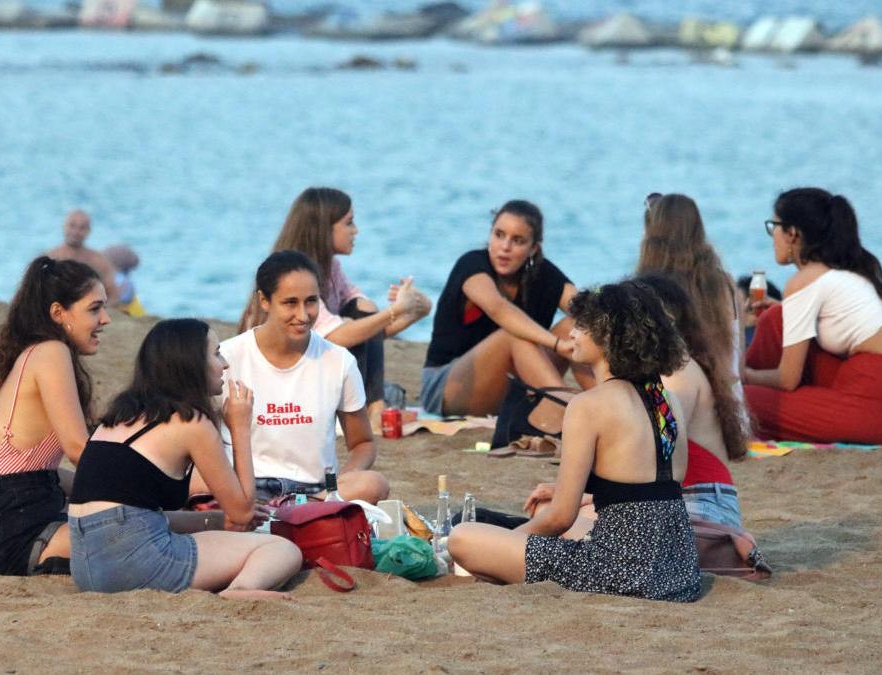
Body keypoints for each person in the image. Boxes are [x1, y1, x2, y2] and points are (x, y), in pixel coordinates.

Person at [448, 280, 702, 602]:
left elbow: (559, 517)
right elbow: (647, 490)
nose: (571, 333)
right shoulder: (668, 402)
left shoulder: (588, 406)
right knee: (571, 521)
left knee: (462, 537)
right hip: (676, 568)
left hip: (619, 571)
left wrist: (505, 543)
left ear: (608, 336)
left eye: (582, 326)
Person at [68, 319, 302, 598]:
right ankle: (241, 589)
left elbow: (134, 515)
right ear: (191, 364)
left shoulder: (119, 417)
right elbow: (242, 511)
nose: (225, 364)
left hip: (86, 568)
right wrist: (239, 426)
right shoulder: (191, 422)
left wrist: (216, 520)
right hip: (137, 563)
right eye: (216, 353)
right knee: (280, 549)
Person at [197, 250, 389, 504]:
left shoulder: (339, 361)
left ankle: (292, 515)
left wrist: (339, 484)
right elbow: (196, 435)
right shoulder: (228, 357)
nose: (303, 314)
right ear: (264, 301)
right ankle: (282, 518)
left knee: (373, 483)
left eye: (311, 301)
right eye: (290, 303)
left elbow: (363, 443)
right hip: (246, 487)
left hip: (315, 492)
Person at [0, 256, 111, 576]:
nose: (106, 319)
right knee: (143, 535)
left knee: (148, 519)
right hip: (16, 532)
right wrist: (139, 487)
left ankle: (216, 522)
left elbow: (39, 472)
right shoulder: (50, 352)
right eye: (94, 308)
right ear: (58, 313)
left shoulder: (35, 353)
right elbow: (78, 450)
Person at [743, 188, 882, 445]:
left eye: (774, 227)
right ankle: (735, 387)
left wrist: (745, 375)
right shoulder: (857, 266)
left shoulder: (805, 280)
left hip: (872, 408)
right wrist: (785, 310)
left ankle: (733, 388)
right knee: (775, 318)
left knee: (741, 400)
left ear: (793, 234)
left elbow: (787, 379)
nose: (773, 237)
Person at [239, 187, 432, 416]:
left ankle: (374, 406)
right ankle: (371, 408)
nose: (356, 231)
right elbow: (337, 336)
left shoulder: (330, 268)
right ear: (323, 228)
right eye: (349, 223)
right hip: (278, 375)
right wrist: (396, 310)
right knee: (357, 324)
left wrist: (417, 309)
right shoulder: (296, 275)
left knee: (362, 309)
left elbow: (372, 328)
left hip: (305, 362)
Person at [421, 199, 579, 417]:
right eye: (499, 235)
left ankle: (611, 401)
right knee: (512, 334)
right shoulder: (472, 265)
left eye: (518, 240)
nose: (505, 247)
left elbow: (586, 309)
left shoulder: (545, 275)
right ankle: (568, 411)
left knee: (577, 326)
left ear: (533, 248)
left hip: (511, 387)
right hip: (447, 386)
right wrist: (556, 344)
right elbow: (498, 308)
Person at [639, 273, 747, 528]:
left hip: (702, 502)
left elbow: (658, 452)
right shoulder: (671, 369)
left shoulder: (676, 374)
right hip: (689, 499)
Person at [637, 193, 744, 409]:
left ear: (652, 236)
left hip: (683, 419)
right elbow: (738, 364)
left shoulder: (651, 292)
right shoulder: (727, 285)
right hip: (733, 412)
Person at [45, 209, 119, 303]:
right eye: (72, 225)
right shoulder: (51, 258)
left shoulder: (99, 261)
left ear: (88, 231)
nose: (76, 231)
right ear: (64, 226)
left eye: (82, 228)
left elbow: (113, 295)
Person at [102, 243, 147, 317]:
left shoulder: (119, 279)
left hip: (126, 312)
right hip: (133, 311)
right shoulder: (124, 279)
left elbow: (123, 298)